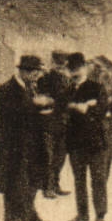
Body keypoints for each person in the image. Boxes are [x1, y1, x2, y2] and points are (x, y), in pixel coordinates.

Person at [0, 54, 52, 221]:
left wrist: (43, 108)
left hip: (32, 142)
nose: (37, 77)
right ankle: (14, 220)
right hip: (14, 144)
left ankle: (30, 215)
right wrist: (35, 104)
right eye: (35, 73)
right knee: (15, 181)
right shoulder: (7, 89)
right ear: (24, 72)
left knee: (33, 179)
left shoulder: (30, 88)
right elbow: (12, 114)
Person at [63, 52, 111, 221]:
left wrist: (87, 109)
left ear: (84, 68)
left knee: (98, 178)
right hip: (76, 143)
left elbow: (103, 109)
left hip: (95, 141)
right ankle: (82, 214)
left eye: (76, 69)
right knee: (79, 180)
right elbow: (62, 110)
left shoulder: (96, 88)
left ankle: (100, 213)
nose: (74, 73)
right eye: (71, 70)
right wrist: (79, 106)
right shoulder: (67, 90)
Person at [37, 51, 73, 196]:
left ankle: (55, 185)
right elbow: (46, 100)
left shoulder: (67, 80)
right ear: (53, 63)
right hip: (49, 122)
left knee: (60, 156)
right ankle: (47, 187)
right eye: (58, 64)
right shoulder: (44, 79)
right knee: (48, 156)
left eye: (62, 64)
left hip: (63, 122)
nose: (60, 67)